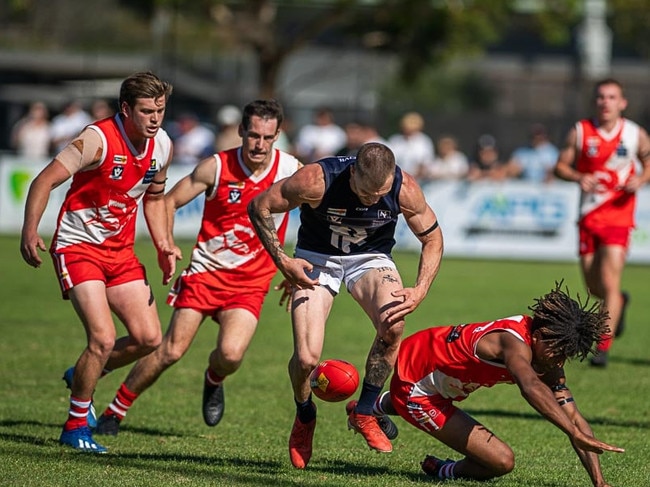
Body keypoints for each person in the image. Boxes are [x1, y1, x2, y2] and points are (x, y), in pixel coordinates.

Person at [92, 99, 302, 436]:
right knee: (171, 350)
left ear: (278, 136)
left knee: (231, 355)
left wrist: (296, 265)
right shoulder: (216, 166)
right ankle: (114, 412)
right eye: (252, 136)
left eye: (266, 137)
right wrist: (167, 243)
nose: (258, 144)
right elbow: (167, 201)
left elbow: (316, 216)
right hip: (205, 273)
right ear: (240, 132)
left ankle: (213, 378)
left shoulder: (290, 171)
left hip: (250, 281)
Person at [247, 142, 444, 468]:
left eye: (380, 194)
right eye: (367, 193)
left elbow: (433, 239)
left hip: (370, 260)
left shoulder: (403, 187)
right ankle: (305, 415)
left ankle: (365, 411)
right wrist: (284, 262)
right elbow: (260, 207)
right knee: (308, 358)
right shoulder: (317, 180)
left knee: (394, 325)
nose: (374, 199)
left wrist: (421, 288)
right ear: (353, 171)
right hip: (316, 260)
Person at [19, 72, 177, 453]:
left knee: (149, 338)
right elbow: (43, 181)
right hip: (78, 247)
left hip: (120, 253)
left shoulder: (162, 146)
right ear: (126, 109)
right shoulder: (97, 138)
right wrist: (29, 230)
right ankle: (75, 427)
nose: (155, 119)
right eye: (146, 111)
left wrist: (163, 245)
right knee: (103, 338)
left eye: (160, 110)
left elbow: (154, 199)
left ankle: (81, 375)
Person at [371, 282, 624, 485]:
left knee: (490, 447)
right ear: (538, 337)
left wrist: (599, 481)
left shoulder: (547, 358)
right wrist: (572, 432)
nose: (559, 361)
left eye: (566, 354)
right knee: (502, 462)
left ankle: (371, 407)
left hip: (439, 378)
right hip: (416, 385)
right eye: (557, 352)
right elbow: (530, 387)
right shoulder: (513, 343)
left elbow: (575, 418)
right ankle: (443, 469)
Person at [554, 78, 650, 367]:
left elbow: (649, 164)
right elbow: (560, 166)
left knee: (609, 280)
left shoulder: (635, 134)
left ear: (622, 103)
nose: (605, 102)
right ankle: (618, 302)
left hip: (619, 217)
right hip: (588, 216)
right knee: (594, 287)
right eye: (601, 97)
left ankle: (602, 347)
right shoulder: (580, 132)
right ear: (595, 101)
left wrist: (641, 179)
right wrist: (577, 176)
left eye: (611, 97)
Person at [387, 111, 436, 185]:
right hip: (395, 180)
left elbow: (425, 163)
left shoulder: (424, 141)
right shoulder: (395, 140)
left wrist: (411, 179)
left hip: (417, 182)